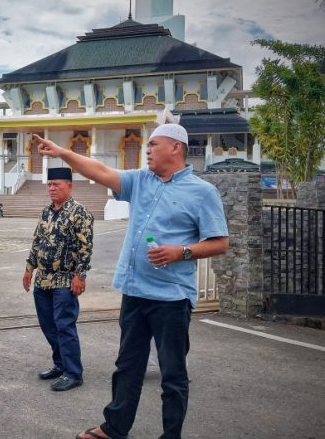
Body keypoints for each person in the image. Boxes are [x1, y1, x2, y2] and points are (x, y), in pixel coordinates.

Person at [34, 124, 229, 439]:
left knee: (172, 374)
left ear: (175, 147)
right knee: (127, 366)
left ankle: (171, 435)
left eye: (153, 144)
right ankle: (114, 428)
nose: (147, 150)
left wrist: (181, 251)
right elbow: (98, 170)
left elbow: (220, 242)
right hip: (135, 292)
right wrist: (62, 153)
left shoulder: (202, 192)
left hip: (172, 298)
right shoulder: (140, 181)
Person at [23, 167, 93, 392]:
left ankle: (73, 373)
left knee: (64, 326)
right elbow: (37, 242)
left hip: (65, 280)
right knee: (48, 326)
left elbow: (85, 248)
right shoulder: (46, 212)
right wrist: (28, 269)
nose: (52, 188)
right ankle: (60, 364)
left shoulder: (79, 212)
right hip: (42, 280)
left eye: (57, 185)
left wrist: (80, 276)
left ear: (69, 186)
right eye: (49, 185)